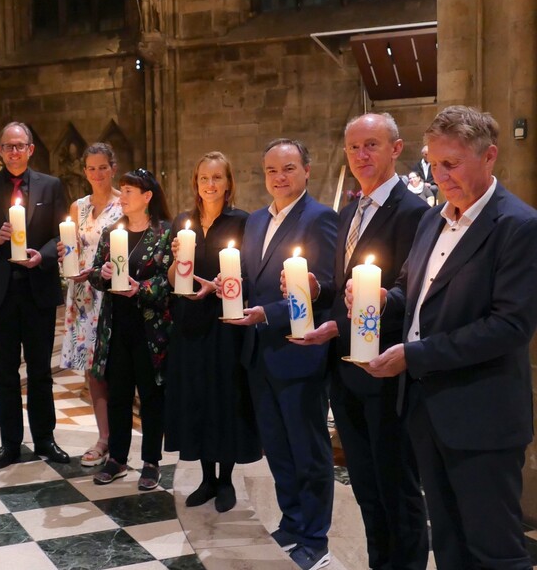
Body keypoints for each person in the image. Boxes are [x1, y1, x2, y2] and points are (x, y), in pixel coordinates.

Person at [351, 106, 537, 570]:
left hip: (482, 415)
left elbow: (510, 325)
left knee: (495, 552)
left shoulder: (517, 226)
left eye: (451, 164)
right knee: (449, 544)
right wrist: (376, 298)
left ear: (489, 156)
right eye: (434, 163)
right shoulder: (434, 219)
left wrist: (414, 356)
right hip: (426, 410)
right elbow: (410, 291)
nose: (440, 174)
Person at [292, 114, 429, 570]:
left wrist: (348, 321)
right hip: (345, 369)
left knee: (396, 486)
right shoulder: (348, 212)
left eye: (371, 145)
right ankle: (379, 563)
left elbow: (411, 299)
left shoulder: (414, 214)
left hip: (385, 370)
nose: (361, 156)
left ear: (396, 148)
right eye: (353, 148)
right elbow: (342, 291)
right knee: (365, 485)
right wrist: (318, 291)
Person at [227, 138, 337, 570]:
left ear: (306, 171)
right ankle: (292, 522)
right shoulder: (255, 221)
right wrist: (230, 290)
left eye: (288, 169)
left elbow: (321, 284)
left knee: (308, 450)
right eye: (272, 170)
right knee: (278, 447)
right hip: (260, 354)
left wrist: (264, 314)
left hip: (298, 353)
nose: (279, 178)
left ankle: (315, 536)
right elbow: (253, 280)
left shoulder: (320, 218)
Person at [0, 121, 70, 469]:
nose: (14, 152)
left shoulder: (51, 186)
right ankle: (10, 443)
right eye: (8, 146)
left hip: (37, 287)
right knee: (6, 371)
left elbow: (63, 234)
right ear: (0, 150)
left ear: (31, 149)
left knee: (40, 371)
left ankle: (45, 439)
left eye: (20, 146)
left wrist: (45, 255)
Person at [165, 152, 260, 512]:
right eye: (204, 178)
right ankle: (206, 478)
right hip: (190, 322)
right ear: (196, 183)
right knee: (198, 398)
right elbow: (174, 279)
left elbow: (248, 274)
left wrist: (222, 285)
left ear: (228, 183)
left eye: (217, 178)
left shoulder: (242, 222)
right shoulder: (183, 221)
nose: (210, 184)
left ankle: (226, 480)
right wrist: (177, 259)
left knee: (225, 397)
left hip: (225, 323)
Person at [87, 168, 173, 490]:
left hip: (150, 329)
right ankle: (117, 458)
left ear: (147, 197)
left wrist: (142, 288)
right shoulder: (112, 232)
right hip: (117, 327)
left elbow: (170, 280)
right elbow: (95, 275)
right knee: (118, 394)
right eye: (121, 191)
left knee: (151, 396)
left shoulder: (164, 234)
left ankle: (151, 461)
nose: (121, 197)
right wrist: (104, 272)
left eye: (128, 192)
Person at [56, 143, 123, 467]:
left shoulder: (124, 203)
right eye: (91, 168)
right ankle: (103, 437)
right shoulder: (77, 207)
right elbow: (73, 247)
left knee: (114, 368)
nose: (97, 174)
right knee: (92, 371)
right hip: (82, 296)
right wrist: (65, 253)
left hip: (110, 295)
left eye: (103, 167)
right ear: (84, 172)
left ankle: (118, 437)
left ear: (113, 168)